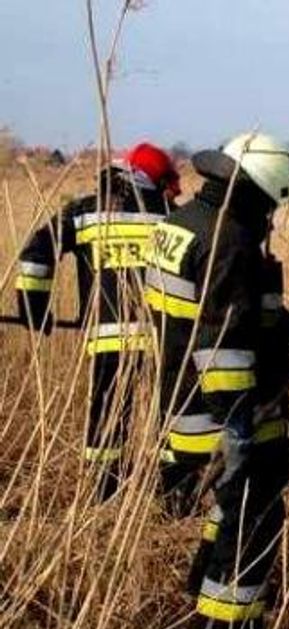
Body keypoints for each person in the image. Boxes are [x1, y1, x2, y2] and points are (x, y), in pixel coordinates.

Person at [145, 132, 289, 629]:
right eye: (272, 202)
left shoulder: (182, 223)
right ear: (254, 192)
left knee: (229, 516)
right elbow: (221, 344)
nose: (273, 216)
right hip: (224, 419)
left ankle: (201, 595)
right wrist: (239, 428)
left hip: (182, 407)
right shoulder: (230, 241)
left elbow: (233, 307)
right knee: (252, 526)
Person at [15, 142, 181, 500]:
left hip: (109, 342)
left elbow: (35, 253)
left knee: (107, 419)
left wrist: (33, 308)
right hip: (164, 340)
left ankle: (106, 494)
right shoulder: (172, 216)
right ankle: (173, 493)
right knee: (168, 418)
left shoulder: (86, 213)